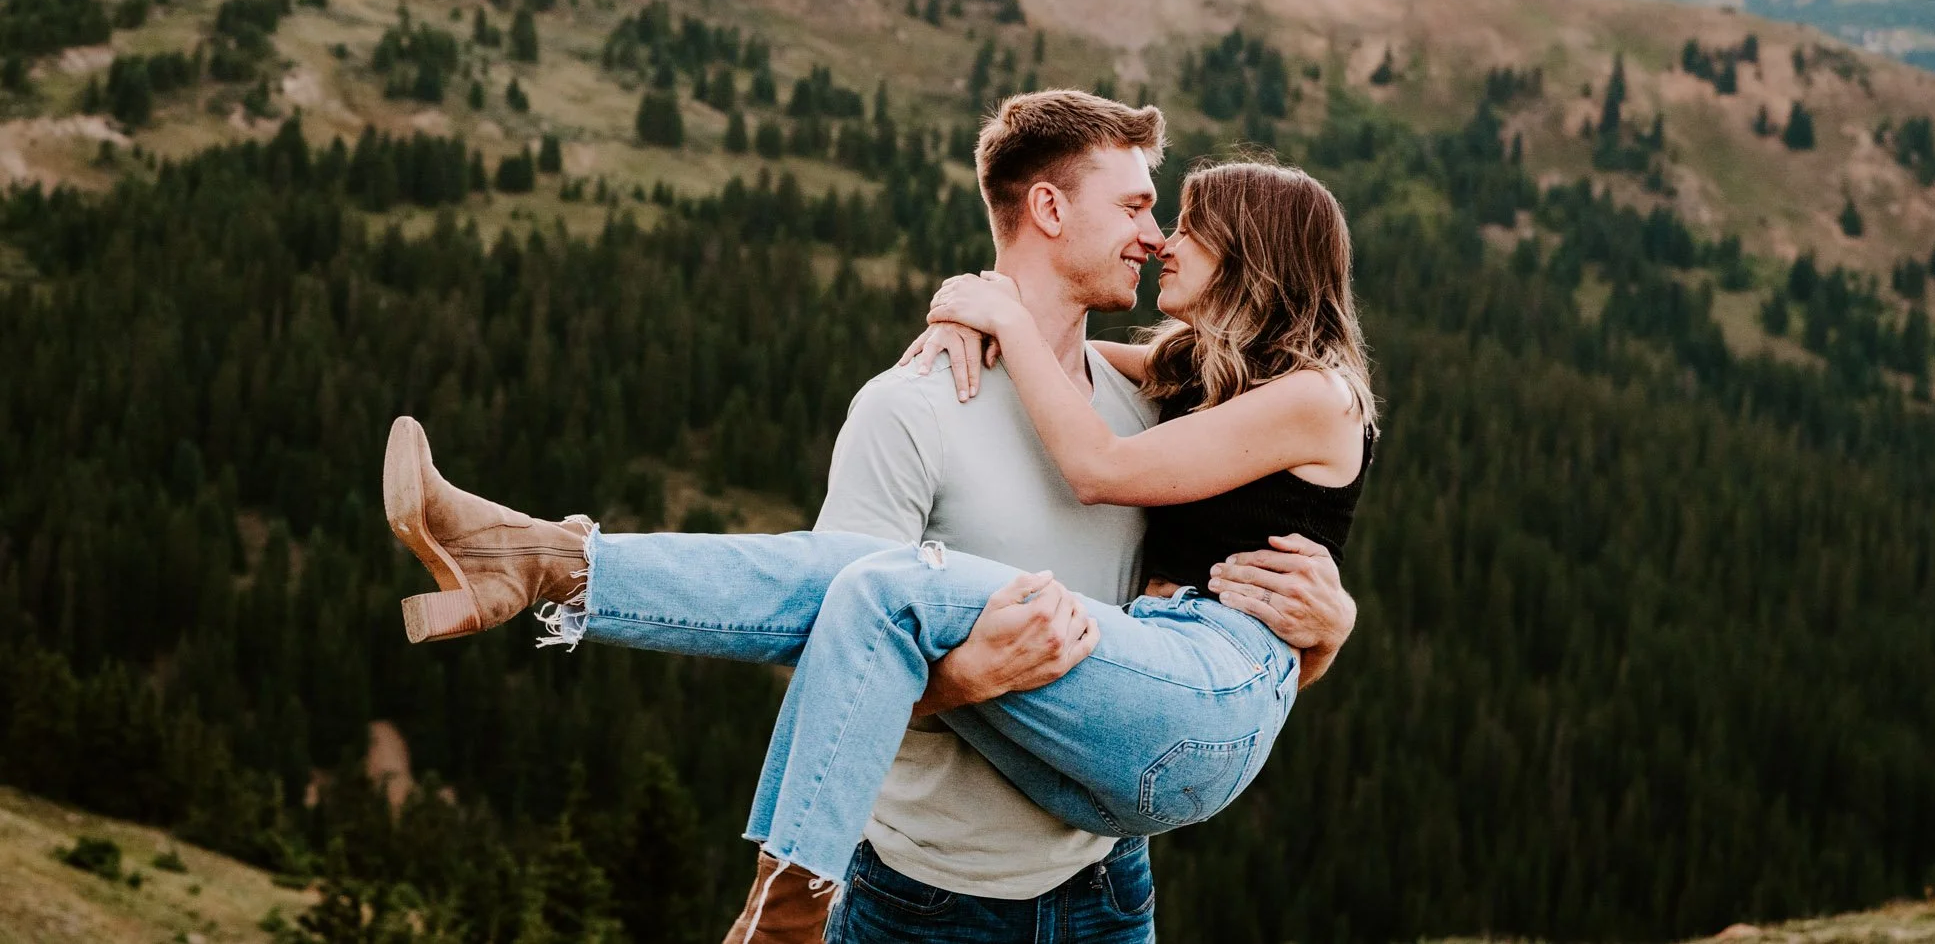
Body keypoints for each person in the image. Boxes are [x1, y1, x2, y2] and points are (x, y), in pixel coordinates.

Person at [380, 91, 1364, 944]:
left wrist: (1322, 640)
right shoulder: (993, 396)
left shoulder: (1269, 400)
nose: (1161, 241)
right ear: (1050, 209)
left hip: (1139, 794)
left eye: (1182, 222)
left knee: (885, 584)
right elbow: (835, 652)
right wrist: (968, 312)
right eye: (1146, 210)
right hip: (944, 886)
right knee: (858, 581)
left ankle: (784, 895)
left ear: (1253, 254)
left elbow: (1106, 472)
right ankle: (543, 563)